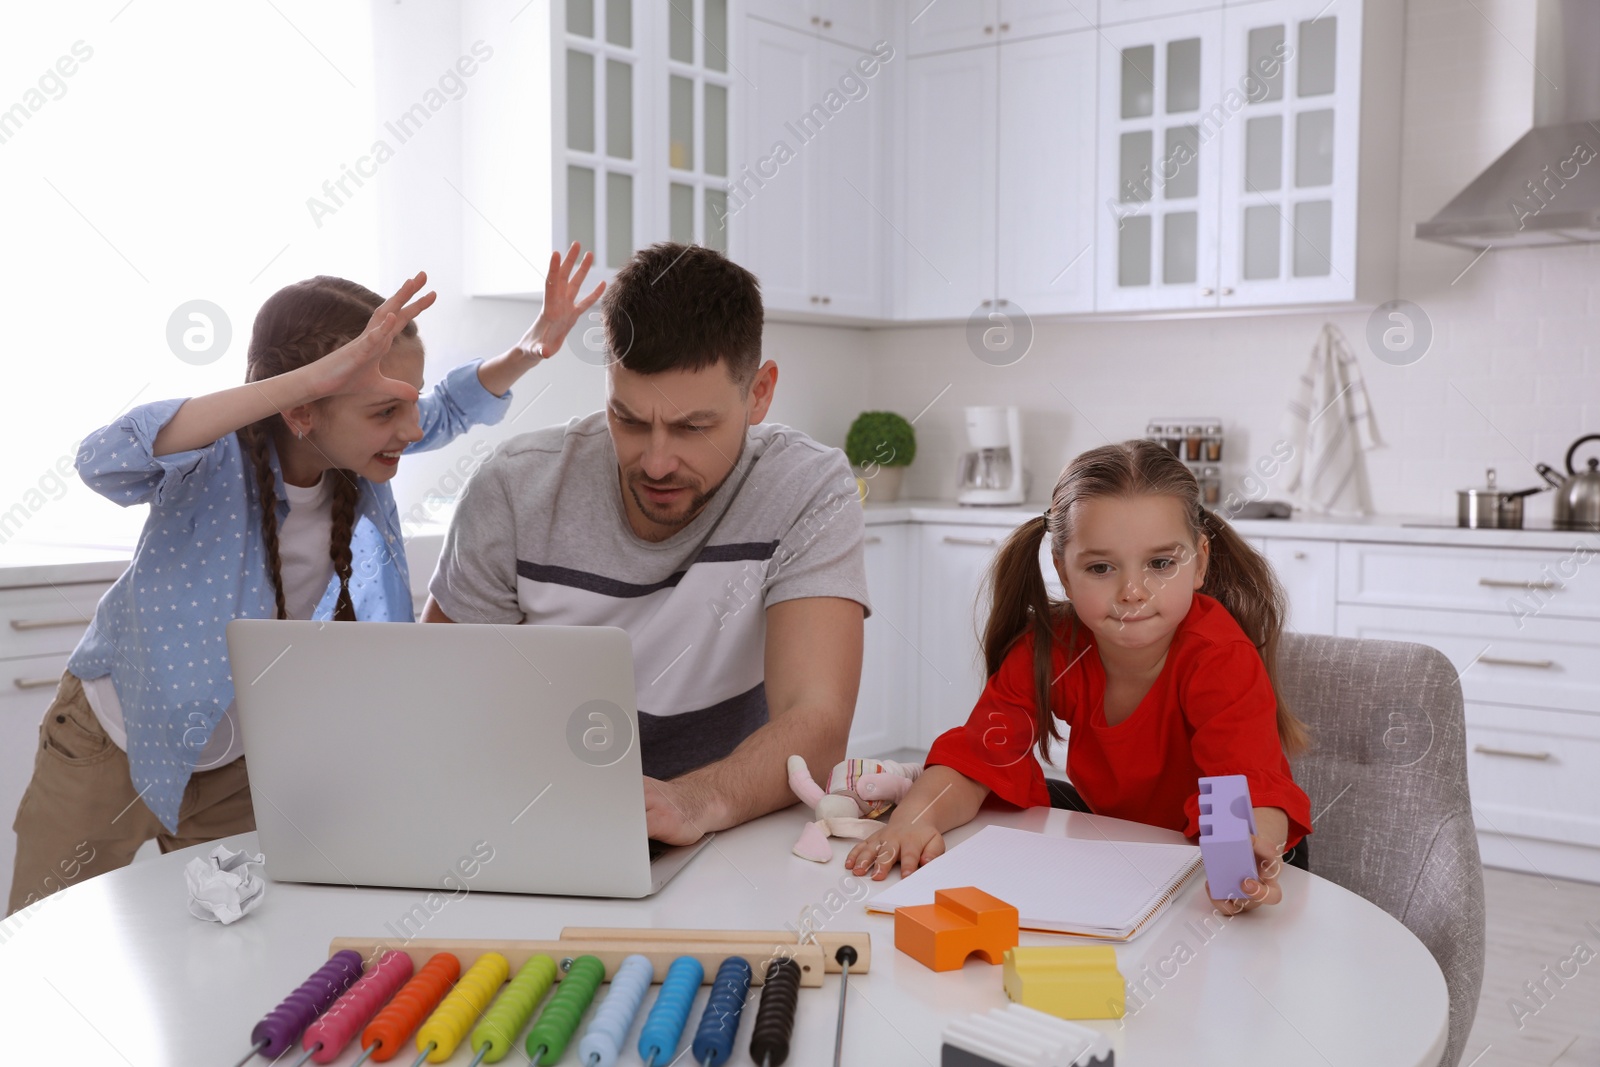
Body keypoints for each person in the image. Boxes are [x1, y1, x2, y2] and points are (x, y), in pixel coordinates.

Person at [6, 249, 600, 917]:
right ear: (299, 409)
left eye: (407, 404)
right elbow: (104, 459)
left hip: (233, 766)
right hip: (108, 744)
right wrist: (304, 382)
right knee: (37, 935)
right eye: (384, 411)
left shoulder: (353, 452)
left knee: (236, 940)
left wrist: (531, 346)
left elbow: (448, 409)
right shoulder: (211, 459)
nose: (411, 428)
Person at [423, 242, 870, 845]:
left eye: (693, 427)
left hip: (728, 829)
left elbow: (815, 722)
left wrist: (695, 801)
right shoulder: (514, 487)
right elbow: (437, 700)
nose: (656, 462)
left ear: (759, 393)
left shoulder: (807, 486)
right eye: (628, 419)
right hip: (538, 823)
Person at [847, 439, 1313, 915]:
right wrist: (913, 820)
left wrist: (1240, 865)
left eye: (1160, 564)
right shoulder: (1053, 647)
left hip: (1245, 837)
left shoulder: (1218, 657)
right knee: (1012, 803)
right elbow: (982, 753)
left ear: (1200, 562)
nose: (1132, 591)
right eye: (1101, 567)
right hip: (1123, 842)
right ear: (1063, 573)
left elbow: (1239, 784)